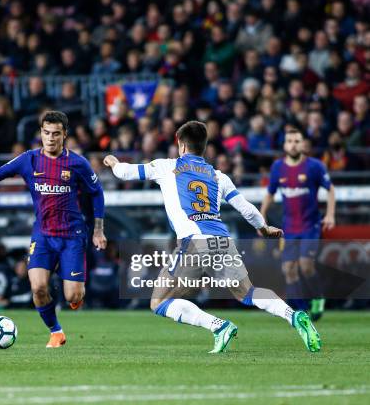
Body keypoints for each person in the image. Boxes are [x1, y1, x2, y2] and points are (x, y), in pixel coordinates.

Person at [104, 121, 321, 353]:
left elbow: (125, 172)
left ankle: (218, 326)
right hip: (223, 241)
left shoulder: (166, 166)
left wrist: (113, 162)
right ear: (204, 147)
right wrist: (264, 227)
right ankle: (293, 315)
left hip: (194, 242)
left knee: (158, 302)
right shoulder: (218, 176)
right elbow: (246, 208)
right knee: (248, 293)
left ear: (182, 145)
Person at [0, 111, 107, 348]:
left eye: (56, 134)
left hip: (73, 236)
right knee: (38, 287)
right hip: (43, 234)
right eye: (46, 133)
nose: (50, 138)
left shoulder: (77, 163)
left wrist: (98, 230)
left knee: (73, 296)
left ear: (65, 135)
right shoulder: (28, 160)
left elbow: (97, 193)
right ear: (41, 133)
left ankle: (74, 291)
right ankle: (56, 332)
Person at [260, 129, 336, 321]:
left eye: (297, 141)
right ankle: (302, 311)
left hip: (310, 225)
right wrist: (261, 217)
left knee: (306, 266)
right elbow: (270, 193)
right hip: (289, 227)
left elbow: (330, 189)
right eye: (289, 141)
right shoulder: (278, 167)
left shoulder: (315, 166)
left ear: (302, 144)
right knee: (288, 270)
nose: (293, 144)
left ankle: (318, 297)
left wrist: (330, 214)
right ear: (284, 145)